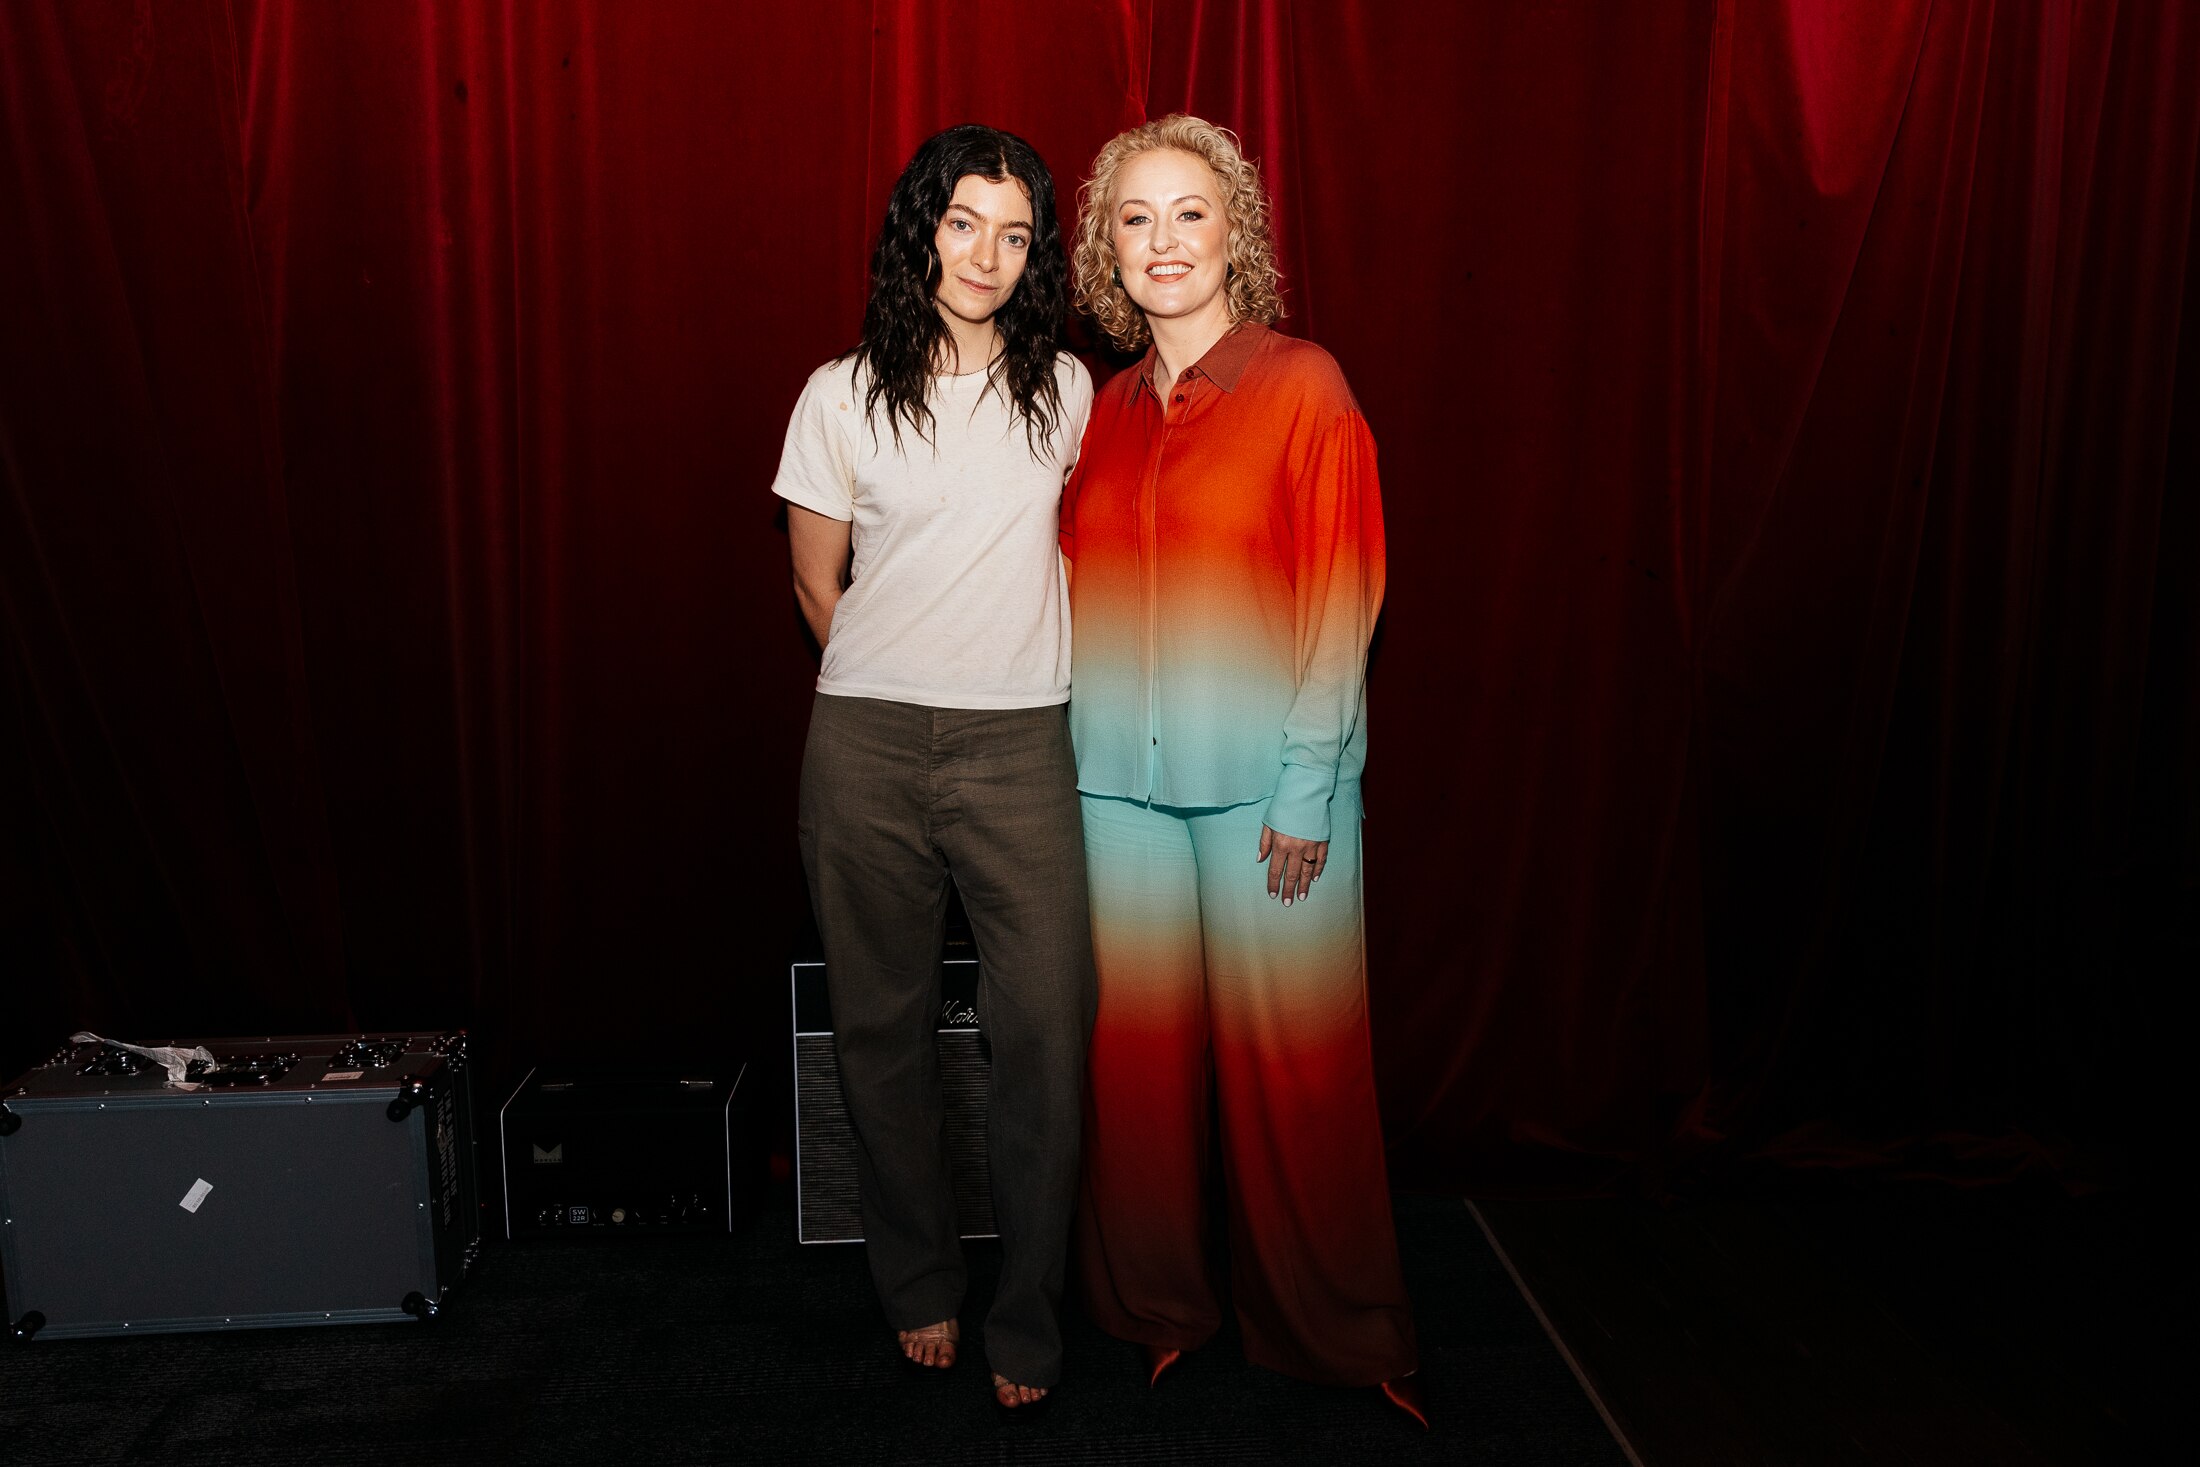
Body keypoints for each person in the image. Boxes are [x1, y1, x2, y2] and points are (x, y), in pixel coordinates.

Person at [1060, 114, 1425, 1427]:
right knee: (1136, 1079)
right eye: (1135, 218)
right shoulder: (1093, 414)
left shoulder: (1303, 385)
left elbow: (1345, 598)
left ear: (1236, 237)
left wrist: (1307, 789)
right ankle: (1159, 1310)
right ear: (1108, 249)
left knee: (1300, 1072)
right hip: (1113, 799)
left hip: (1274, 798)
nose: (1163, 241)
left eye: (1189, 213)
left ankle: (1340, 1326)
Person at [773, 123, 1096, 1412]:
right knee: (882, 1028)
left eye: (1015, 235)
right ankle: (919, 1287)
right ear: (923, 228)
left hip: (1024, 741)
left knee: (1048, 1033)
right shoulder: (838, 391)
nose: (988, 254)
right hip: (865, 741)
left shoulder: (1068, 391)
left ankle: (1028, 1309)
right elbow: (816, 583)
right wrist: (901, 677)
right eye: (965, 223)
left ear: (1036, 255)